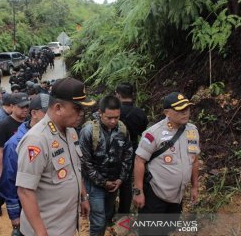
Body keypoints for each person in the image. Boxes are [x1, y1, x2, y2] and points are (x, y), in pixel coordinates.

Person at [16, 77, 94, 236]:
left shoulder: (70, 131)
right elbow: (25, 191)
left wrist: (83, 196)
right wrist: (41, 232)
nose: (81, 114)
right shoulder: (36, 140)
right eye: (77, 109)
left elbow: (75, 168)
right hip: (46, 230)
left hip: (66, 225)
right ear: (58, 107)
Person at [133, 92, 200, 235]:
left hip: (177, 196)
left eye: (187, 109)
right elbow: (139, 160)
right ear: (167, 112)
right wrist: (138, 192)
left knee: (167, 230)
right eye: (180, 110)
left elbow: (194, 160)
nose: (185, 113)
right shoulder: (153, 133)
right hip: (155, 194)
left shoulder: (192, 131)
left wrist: (195, 187)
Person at [79, 95, 133, 236]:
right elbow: (85, 162)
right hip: (95, 184)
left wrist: (121, 179)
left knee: (108, 214)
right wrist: (103, 182)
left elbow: (128, 154)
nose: (113, 121)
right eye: (109, 117)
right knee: (98, 220)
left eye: (116, 117)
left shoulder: (122, 129)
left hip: (114, 182)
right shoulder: (89, 131)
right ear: (100, 113)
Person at [0, 94, 50, 236]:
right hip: (25, 207)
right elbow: (9, 180)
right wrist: (14, 213)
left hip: (47, 207)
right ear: (34, 113)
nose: (51, 117)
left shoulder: (52, 136)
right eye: (47, 113)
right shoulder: (15, 143)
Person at [115, 82, 148, 214]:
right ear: (132, 95)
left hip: (113, 151)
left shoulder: (114, 111)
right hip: (133, 150)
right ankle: (124, 212)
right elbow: (143, 132)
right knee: (127, 182)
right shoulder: (139, 113)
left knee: (111, 179)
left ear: (118, 94)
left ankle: (110, 212)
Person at [0, 93, 29, 179]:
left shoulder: (29, 121)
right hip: (11, 168)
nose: (25, 109)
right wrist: (1, 174)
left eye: (27, 106)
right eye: (22, 107)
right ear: (12, 106)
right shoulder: (3, 125)